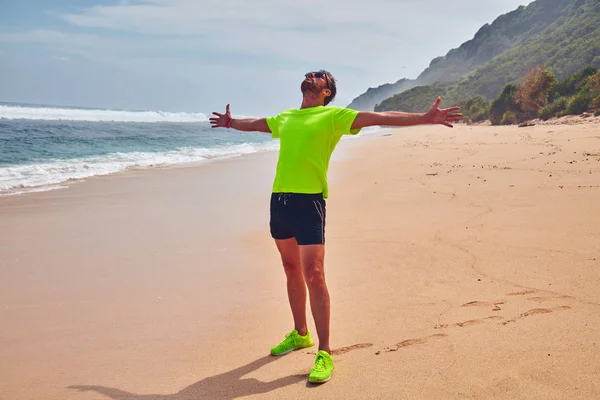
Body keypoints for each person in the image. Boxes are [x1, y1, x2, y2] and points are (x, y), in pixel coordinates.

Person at [209, 70, 462, 383]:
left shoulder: (333, 116)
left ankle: (325, 352)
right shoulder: (286, 117)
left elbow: (380, 116)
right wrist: (231, 123)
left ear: (327, 91)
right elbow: (257, 124)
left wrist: (424, 117)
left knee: (314, 274)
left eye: (319, 77)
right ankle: (301, 333)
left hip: (309, 203)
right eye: (309, 74)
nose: (311, 76)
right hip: (280, 202)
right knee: (290, 268)